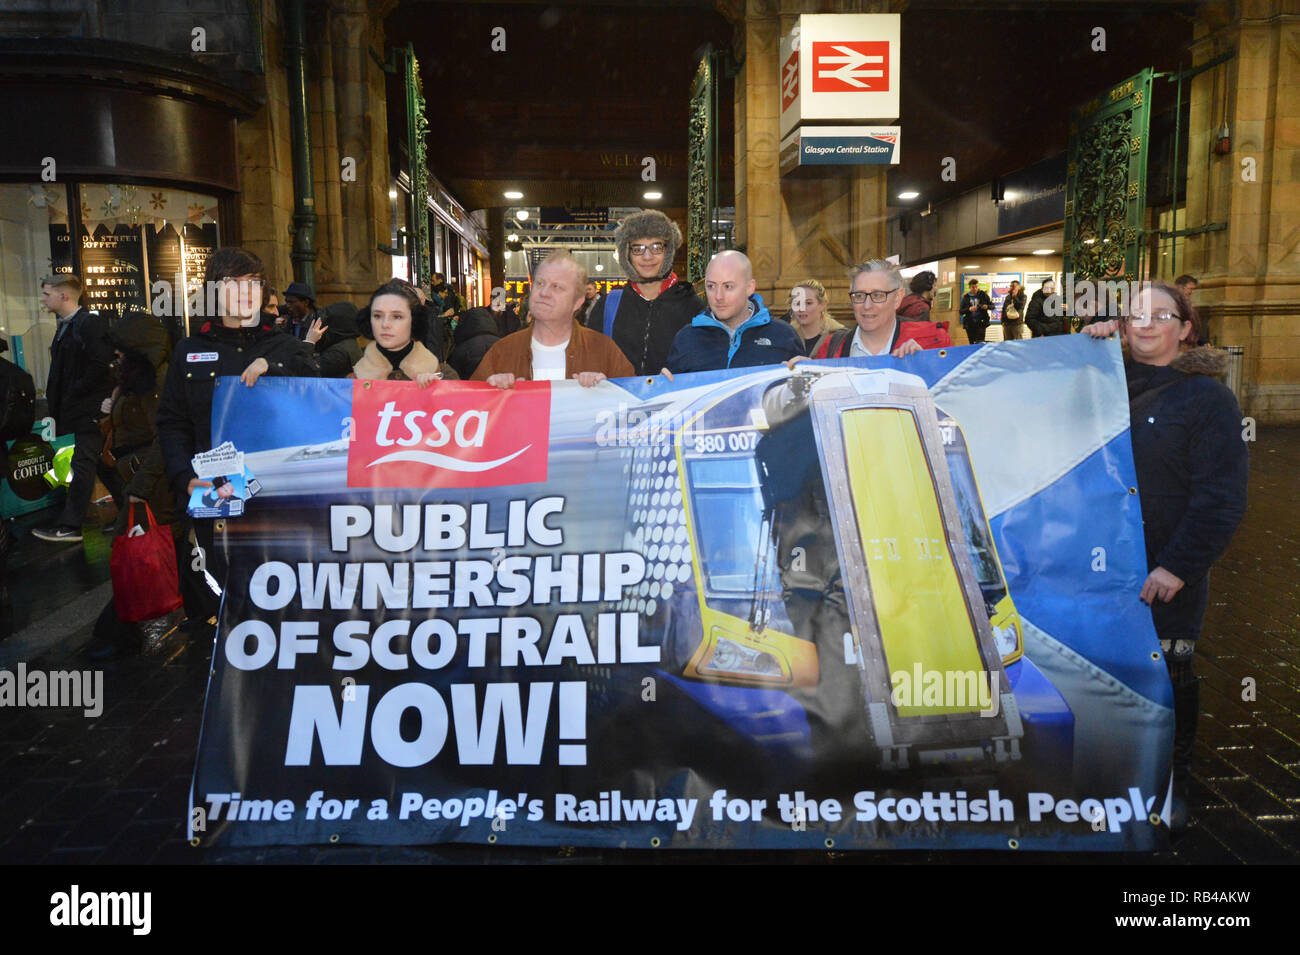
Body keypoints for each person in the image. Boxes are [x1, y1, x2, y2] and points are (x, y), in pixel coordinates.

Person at [1085, 283, 1247, 829]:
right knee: (1103, 672)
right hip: (1100, 566)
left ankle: (1169, 786)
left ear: (1186, 328)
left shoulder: (1207, 399)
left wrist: (1177, 567)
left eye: (1161, 315)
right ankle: (1110, 781)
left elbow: (1221, 499)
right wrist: (1082, 346)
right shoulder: (1101, 380)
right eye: (1135, 316)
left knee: (1168, 675)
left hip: (1164, 570)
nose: (1147, 324)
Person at [156, 247, 318, 586]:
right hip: (213, 499)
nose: (246, 292)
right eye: (234, 283)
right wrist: (183, 476)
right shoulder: (189, 350)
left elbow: (321, 391)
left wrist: (275, 368)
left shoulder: (285, 347)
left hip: (278, 502)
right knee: (217, 593)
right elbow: (172, 423)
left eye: (255, 284)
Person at [32, 274, 116, 543]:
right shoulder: (68, 326)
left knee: (83, 463)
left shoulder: (87, 325)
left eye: (47, 294)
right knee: (100, 464)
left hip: (89, 410)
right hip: (81, 408)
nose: (43, 299)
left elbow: (99, 365)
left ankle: (70, 526)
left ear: (63, 296)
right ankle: (131, 510)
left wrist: (75, 392)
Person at [475, 251, 632, 387]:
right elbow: (469, 411)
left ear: (577, 301)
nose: (543, 292)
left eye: (556, 287)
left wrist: (608, 390)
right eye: (540, 283)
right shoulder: (502, 352)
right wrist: (490, 392)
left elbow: (635, 408)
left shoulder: (604, 351)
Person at [587, 210, 703, 376]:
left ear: (668, 252)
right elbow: (589, 358)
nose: (647, 257)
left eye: (657, 247)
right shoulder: (607, 307)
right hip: (618, 399)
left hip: (674, 400)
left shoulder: (692, 305)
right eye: (638, 249)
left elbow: (706, 363)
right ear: (627, 255)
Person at [663, 250, 803, 375]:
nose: (718, 296)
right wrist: (662, 387)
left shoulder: (783, 336)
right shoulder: (686, 338)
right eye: (711, 286)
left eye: (728, 286)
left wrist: (808, 377)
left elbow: (799, 400)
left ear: (749, 287)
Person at [810, 259, 953, 359]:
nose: (867, 306)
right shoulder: (831, 349)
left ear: (897, 298)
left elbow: (952, 397)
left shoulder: (933, 343)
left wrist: (928, 367)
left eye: (878, 295)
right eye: (859, 295)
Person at [350, 279, 443, 384]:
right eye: (378, 316)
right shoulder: (355, 377)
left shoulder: (438, 373)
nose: (385, 324)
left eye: (397, 316)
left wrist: (435, 387)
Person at [303, 301, 363, 378]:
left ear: (338, 324)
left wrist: (309, 341)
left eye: (328, 322)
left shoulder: (337, 354)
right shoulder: (349, 344)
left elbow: (305, 371)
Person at [788, 280, 843, 357]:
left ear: (822, 305)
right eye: (797, 303)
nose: (801, 308)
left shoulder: (839, 338)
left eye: (808, 303)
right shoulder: (787, 337)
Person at [448, 304, 502, 380]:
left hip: (470, 389)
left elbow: (453, 374)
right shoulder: (502, 344)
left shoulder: (461, 348)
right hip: (497, 389)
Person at [959, 277, 993, 344]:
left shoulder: (983, 295)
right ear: (969, 287)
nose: (975, 289)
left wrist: (987, 306)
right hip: (970, 324)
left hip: (981, 322)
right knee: (972, 343)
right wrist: (969, 309)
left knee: (980, 342)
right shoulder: (966, 297)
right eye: (973, 287)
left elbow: (992, 306)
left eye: (976, 287)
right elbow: (961, 311)